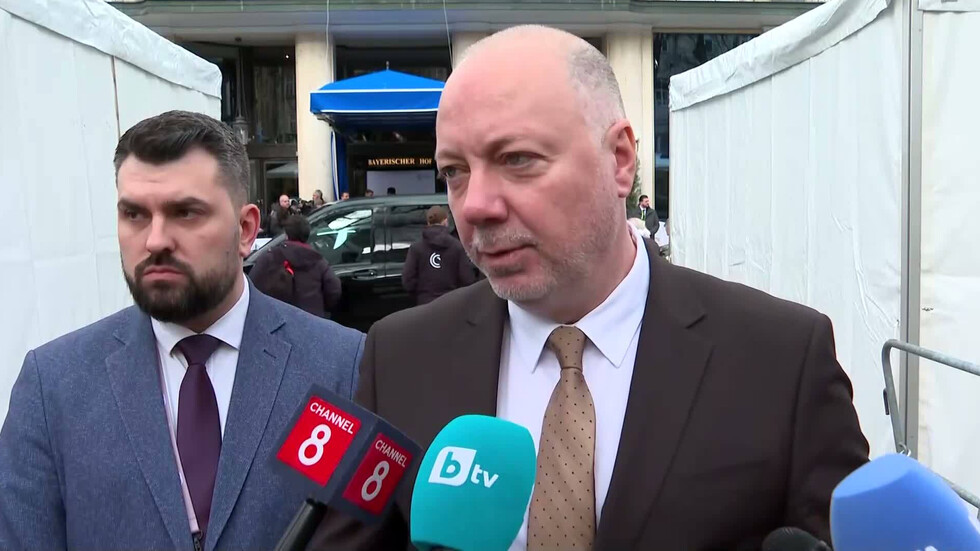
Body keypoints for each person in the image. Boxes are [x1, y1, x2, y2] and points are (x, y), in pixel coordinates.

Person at [313, 26, 868, 550]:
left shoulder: (782, 359)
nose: (476, 205)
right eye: (455, 172)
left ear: (620, 160)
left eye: (517, 160)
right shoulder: (400, 357)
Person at [0, 111, 364, 551]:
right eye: (134, 214)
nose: (155, 240)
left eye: (185, 212)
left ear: (246, 229)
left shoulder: (342, 366)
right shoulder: (53, 385)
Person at [249, 214, 342, 318]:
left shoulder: (270, 257)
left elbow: (252, 285)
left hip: (277, 317)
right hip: (311, 319)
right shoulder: (319, 261)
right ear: (307, 234)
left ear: (286, 234)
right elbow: (334, 290)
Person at [401, 206, 476, 305]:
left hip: (425, 304)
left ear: (428, 223)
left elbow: (408, 281)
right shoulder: (457, 247)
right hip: (451, 303)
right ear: (445, 221)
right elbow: (467, 279)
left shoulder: (416, 248)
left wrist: (420, 295)